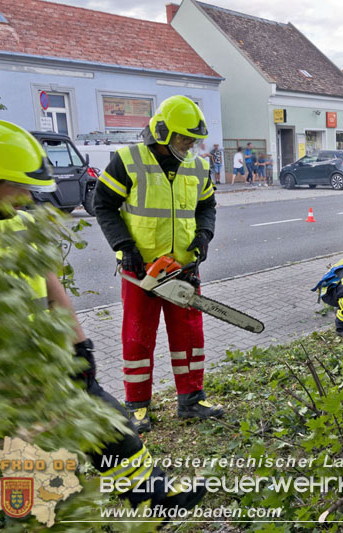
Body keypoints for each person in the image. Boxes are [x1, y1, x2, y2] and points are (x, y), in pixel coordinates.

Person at [0, 119, 206, 511]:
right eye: (18, 186)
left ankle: (155, 498)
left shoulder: (17, 223)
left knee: (110, 423)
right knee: (28, 479)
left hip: (46, 364)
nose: (27, 198)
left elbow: (50, 287)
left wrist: (80, 348)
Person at [94, 95, 222, 432]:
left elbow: (207, 206)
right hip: (141, 271)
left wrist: (204, 235)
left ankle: (192, 399)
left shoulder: (197, 165)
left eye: (193, 139)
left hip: (182, 268)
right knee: (138, 337)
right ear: (162, 132)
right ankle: (137, 405)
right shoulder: (127, 160)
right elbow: (103, 205)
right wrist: (124, 247)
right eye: (183, 138)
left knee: (190, 334)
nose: (189, 145)